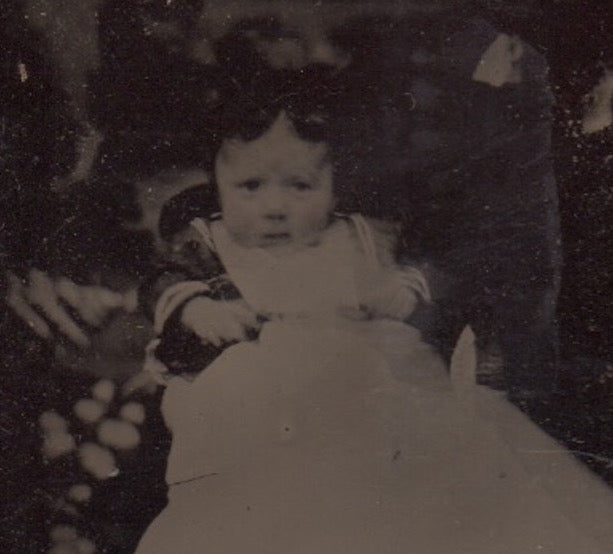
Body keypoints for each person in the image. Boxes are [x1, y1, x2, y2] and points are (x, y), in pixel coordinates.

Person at [134, 68, 612, 554]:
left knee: (432, 456)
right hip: (257, 403)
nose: (274, 208)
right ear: (218, 183)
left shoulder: (357, 237)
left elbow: (419, 282)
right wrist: (194, 308)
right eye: (250, 186)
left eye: (300, 186)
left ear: (335, 185)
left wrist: (403, 292)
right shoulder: (208, 242)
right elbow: (164, 282)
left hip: (368, 394)